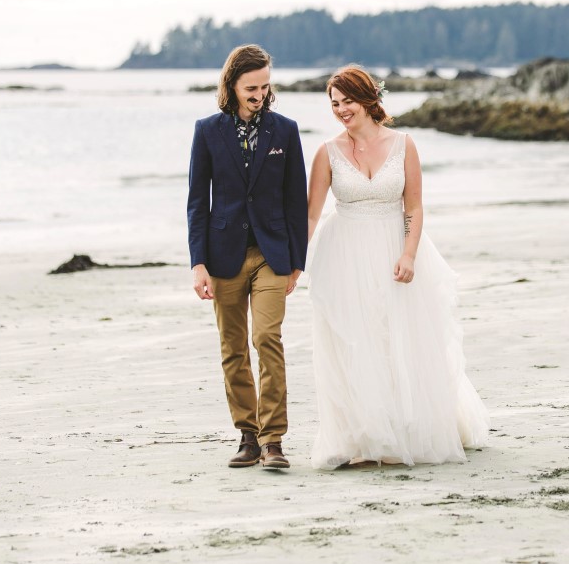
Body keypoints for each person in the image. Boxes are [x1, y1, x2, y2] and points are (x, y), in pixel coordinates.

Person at [305, 65, 489, 470]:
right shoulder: (327, 153)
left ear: (368, 97)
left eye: (347, 101)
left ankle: (407, 429)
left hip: (395, 249)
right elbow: (311, 216)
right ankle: (362, 435)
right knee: (356, 342)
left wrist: (408, 254)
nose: (340, 110)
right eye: (334, 104)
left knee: (399, 339)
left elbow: (414, 206)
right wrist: (292, 266)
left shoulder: (404, 144)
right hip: (344, 254)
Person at [187, 44, 307, 470]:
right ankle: (248, 435)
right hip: (223, 257)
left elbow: (297, 199)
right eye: (251, 87)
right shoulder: (206, 131)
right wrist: (197, 262)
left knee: (266, 339)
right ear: (232, 86)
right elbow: (197, 202)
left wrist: (298, 260)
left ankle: (275, 440)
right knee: (233, 347)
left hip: (273, 255)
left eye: (265, 86)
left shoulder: (286, 130)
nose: (259, 94)